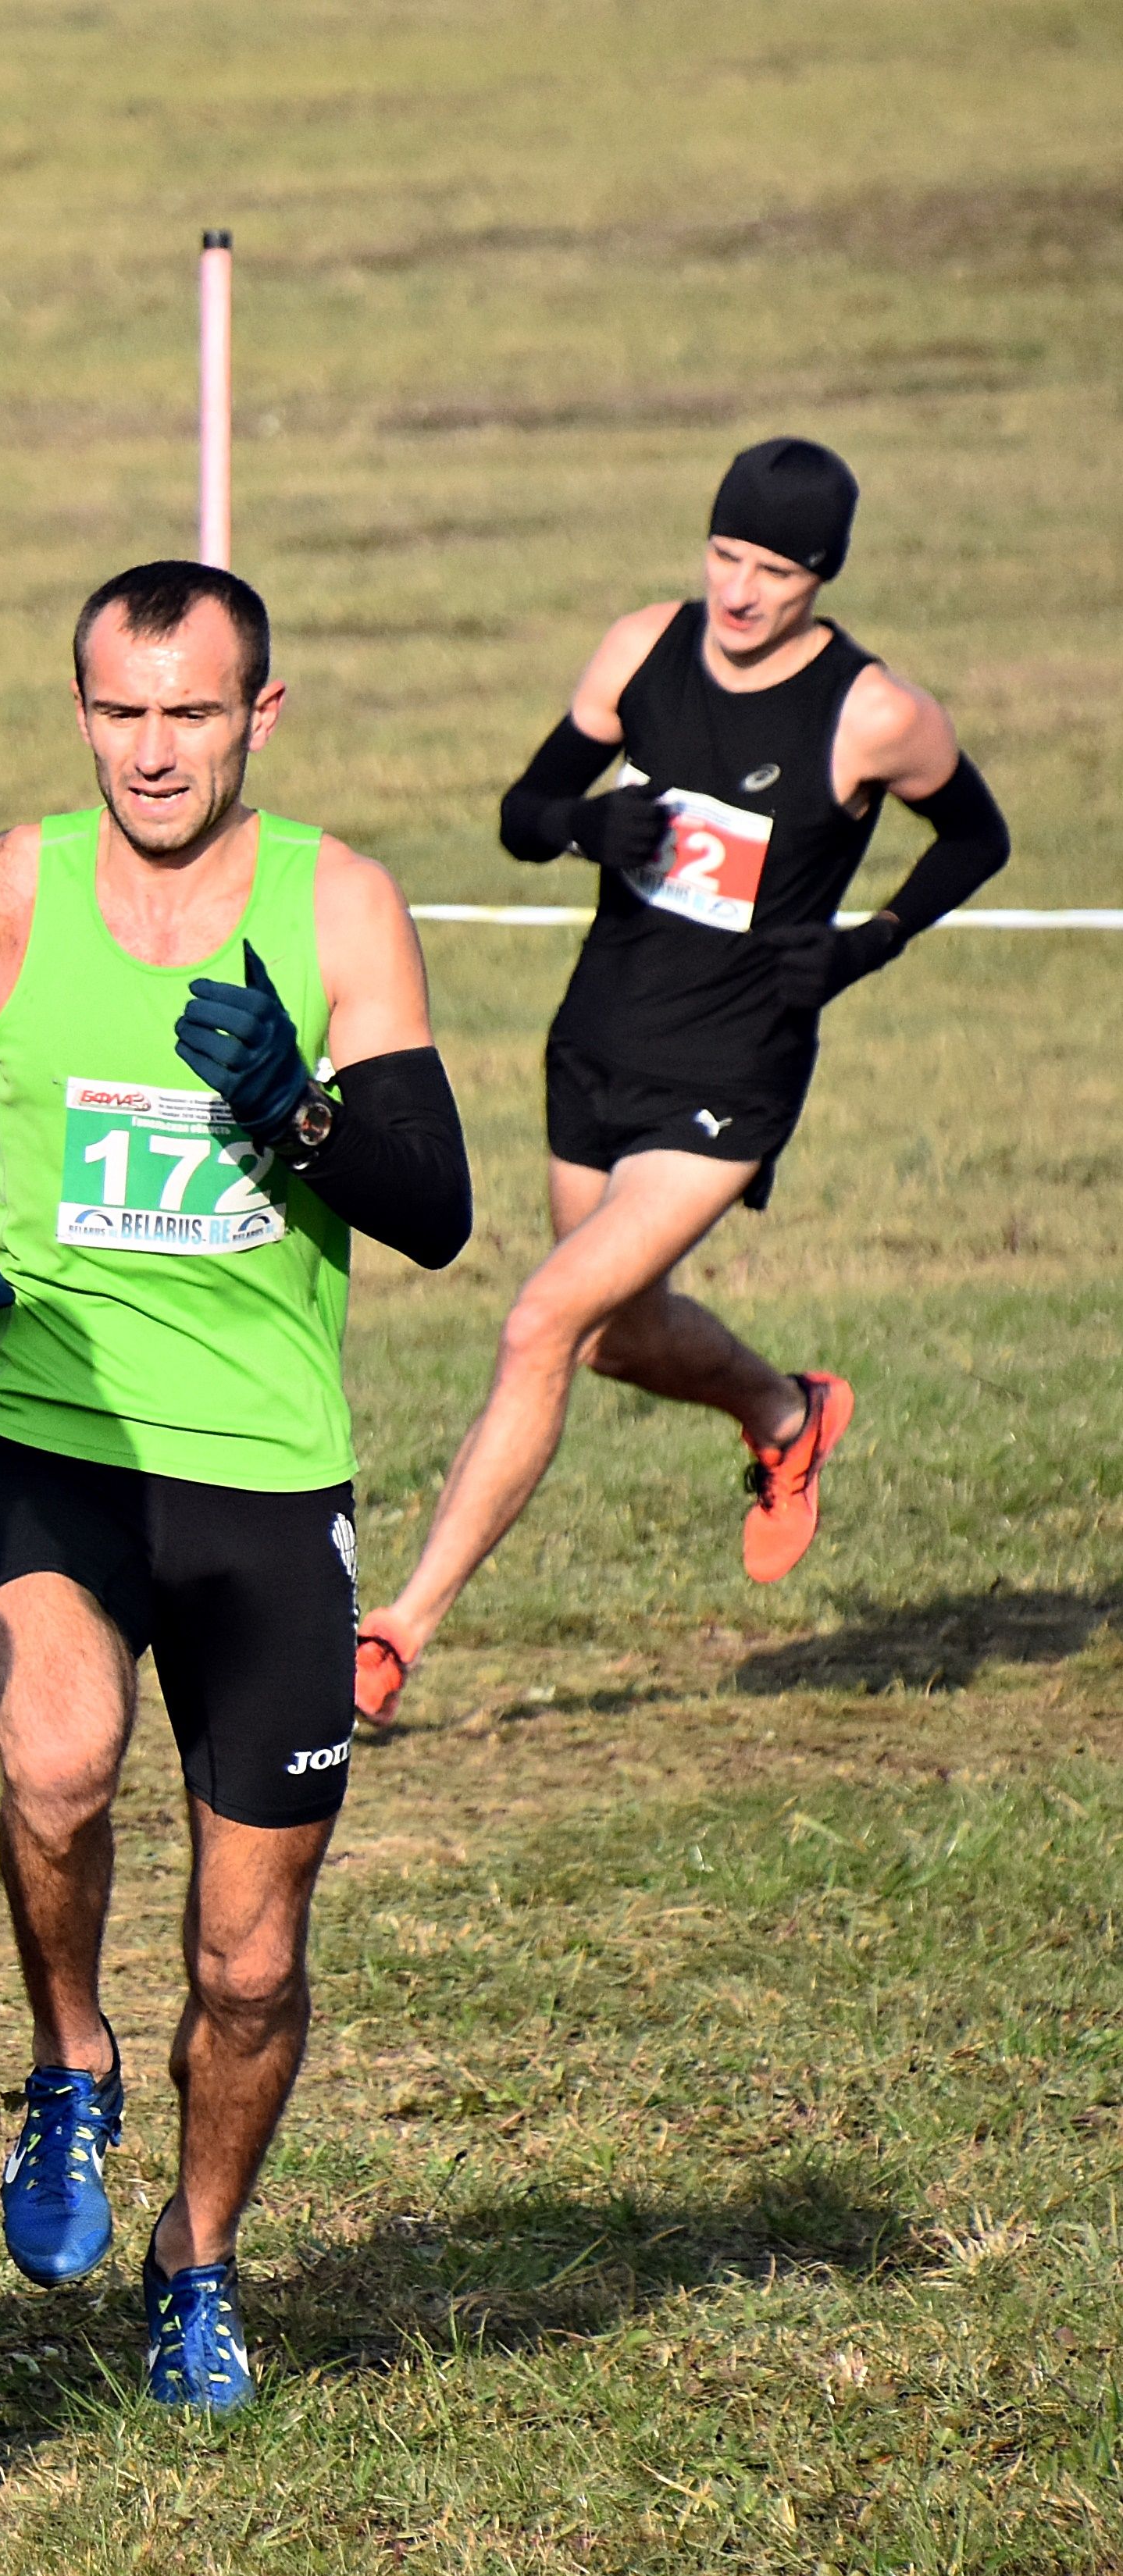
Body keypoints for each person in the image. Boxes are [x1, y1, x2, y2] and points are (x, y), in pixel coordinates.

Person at [0, 559, 474, 2410]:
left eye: (189, 711)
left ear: (256, 718)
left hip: (269, 1478)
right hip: (48, 1429)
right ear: (82, 713)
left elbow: (434, 1207)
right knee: (53, 1758)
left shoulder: (338, 904)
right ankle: (68, 2063)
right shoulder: (6, 886)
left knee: (254, 1955)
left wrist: (297, 1102)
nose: (150, 749)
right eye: (119, 710)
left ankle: (196, 2261)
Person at [355, 440, 1011, 1722]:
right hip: (595, 1041)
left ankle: (394, 1635)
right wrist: (585, 824)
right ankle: (785, 1408)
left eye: (775, 570)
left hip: (732, 1070)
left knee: (539, 1321)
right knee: (608, 1339)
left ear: (820, 576)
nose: (743, 590)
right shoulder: (641, 649)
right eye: (726, 556)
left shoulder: (874, 712)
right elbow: (521, 810)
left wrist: (868, 943)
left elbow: (979, 838)